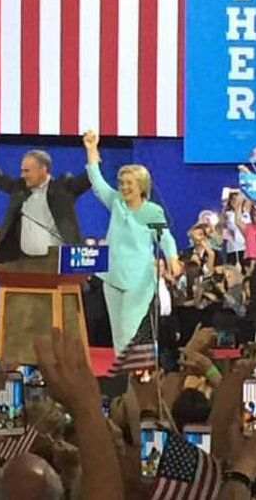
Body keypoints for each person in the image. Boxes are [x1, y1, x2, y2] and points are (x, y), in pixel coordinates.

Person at [82, 130, 181, 352]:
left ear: (142, 186)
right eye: (121, 182)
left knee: (130, 329)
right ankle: (126, 377)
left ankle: (141, 374)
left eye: (129, 183)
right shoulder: (116, 202)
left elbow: (164, 237)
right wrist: (91, 149)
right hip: (112, 275)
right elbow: (97, 182)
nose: (124, 187)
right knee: (118, 333)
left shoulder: (152, 212)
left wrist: (172, 258)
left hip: (139, 279)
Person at [0, 132, 90, 262]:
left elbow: (88, 179)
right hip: (22, 262)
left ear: (43, 170)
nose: (22, 175)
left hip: (58, 262)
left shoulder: (63, 188)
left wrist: (92, 151)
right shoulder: (20, 188)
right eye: (22, 170)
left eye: (27, 171)